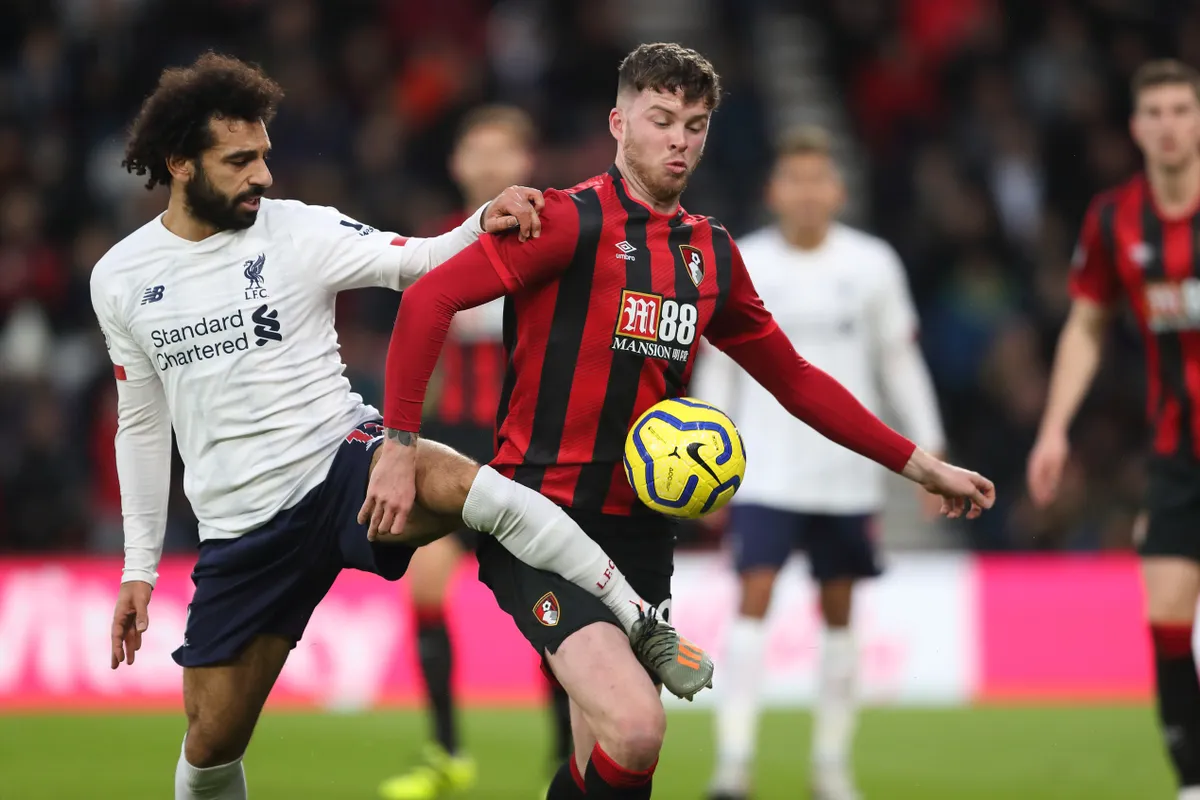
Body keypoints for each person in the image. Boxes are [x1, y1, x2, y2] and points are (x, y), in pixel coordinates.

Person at [364, 42, 995, 800]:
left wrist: (920, 463)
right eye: (661, 120)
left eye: (694, 126)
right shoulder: (563, 221)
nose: (679, 141)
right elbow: (427, 300)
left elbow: (795, 380)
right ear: (618, 123)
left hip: (641, 530)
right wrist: (398, 446)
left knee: (612, 754)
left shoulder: (710, 254)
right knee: (638, 729)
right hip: (540, 516)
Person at [96, 52, 710, 800]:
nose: (263, 175)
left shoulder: (299, 229)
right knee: (210, 745)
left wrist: (482, 219)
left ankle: (639, 621)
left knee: (474, 488)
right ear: (178, 163)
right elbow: (141, 423)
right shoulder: (120, 278)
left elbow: (418, 262)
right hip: (243, 525)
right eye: (239, 161)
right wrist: (138, 567)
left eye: (264, 154)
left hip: (341, 461)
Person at [692, 125, 945, 800]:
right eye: (794, 180)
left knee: (840, 611)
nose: (806, 192)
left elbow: (899, 359)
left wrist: (930, 446)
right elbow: (718, 368)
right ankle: (734, 763)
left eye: (817, 180)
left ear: (837, 190)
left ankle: (831, 765)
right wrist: (706, 462)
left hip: (845, 476)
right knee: (752, 600)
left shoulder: (872, 264)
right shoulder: (744, 261)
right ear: (773, 191)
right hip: (763, 469)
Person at [378, 105, 574, 800]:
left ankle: (565, 756)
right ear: (457, 163)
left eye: (503, 151)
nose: (490, 163)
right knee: (427, 591)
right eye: (477, 150)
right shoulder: (435, 246)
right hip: (450, 442)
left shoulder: (554, 244)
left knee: (550, 606)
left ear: (527, 164)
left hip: (525, 446)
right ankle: (446, 752)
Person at [1027, 59, 1200, 800]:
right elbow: (1087, 325)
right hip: (1177, 452)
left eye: (1181, 110)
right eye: (1154, 112)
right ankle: (1192, 784)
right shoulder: (1114, 219)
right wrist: (1054, 429)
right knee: (1166, 616)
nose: (1169, 125)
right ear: (1135, 127)